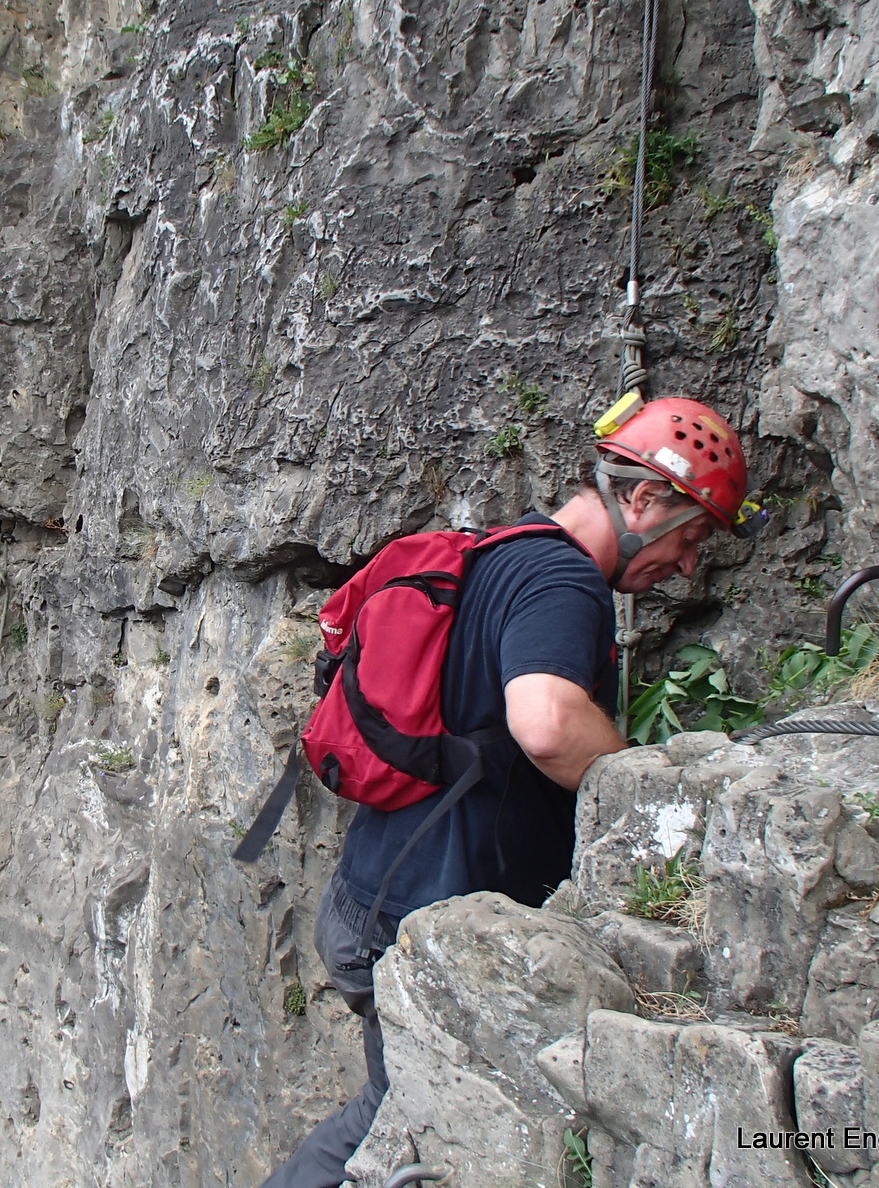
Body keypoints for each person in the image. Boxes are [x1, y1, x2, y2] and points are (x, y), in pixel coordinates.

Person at [261, 397, 759, 1188]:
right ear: (641, 498)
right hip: (422, 915)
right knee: (400, 1128)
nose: (689, 565)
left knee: (399, 1119)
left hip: (380, 896)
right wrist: (648, 794)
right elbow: (547, 723)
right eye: (691, 536)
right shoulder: (564, 581)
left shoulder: (503, 553)